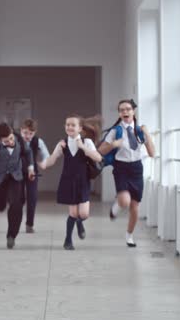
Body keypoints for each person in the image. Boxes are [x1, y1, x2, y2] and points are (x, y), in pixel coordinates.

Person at [98, 99, 155, 247]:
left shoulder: (140, 130)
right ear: (119, 113)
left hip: (136, 168)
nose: (125, 112)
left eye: (128, 109)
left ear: (133, 111)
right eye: (122, 110)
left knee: (135, 207)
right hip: (121, 168)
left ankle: (129, 235)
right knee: (124, 201)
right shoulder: (115, 131)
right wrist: (113, 145)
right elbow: (100, 151)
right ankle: (116, 207)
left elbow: (152, 153)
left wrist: (147, 134)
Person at [43, 114, 102, 250]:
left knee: (84, 214)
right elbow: (52, 159)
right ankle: (68, 240)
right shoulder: (62, 144)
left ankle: (80, 223)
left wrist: (83, 147)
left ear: (80, 128)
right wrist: (42, 163)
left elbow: (98, 158)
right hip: (68, 180)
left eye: (72, 125)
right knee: (73, 214)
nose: (69, 127)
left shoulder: (87, 142)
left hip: (83, 181)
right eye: (67, 124)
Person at [0, 123, 36, 249]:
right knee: (0, 206)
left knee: (17, 204)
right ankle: (0, 203)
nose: (11, 141)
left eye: (11, 138)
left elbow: (28, 152)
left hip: (16, 178)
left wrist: (31, 168)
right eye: (6, 141)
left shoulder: (19, 141)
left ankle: (11, 235)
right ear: (0, 140)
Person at [19, 119, 50, 233]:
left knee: (32, 198)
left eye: (30, 133)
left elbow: (47, 156)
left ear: (34, 133)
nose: (28, 136)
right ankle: (15, 222)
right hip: (18, 173)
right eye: (25, 133)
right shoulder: (15, 141)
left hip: (32, 174)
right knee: (19, 199)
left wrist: (43, 163)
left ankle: (29, 224)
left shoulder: (38, 142)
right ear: (21, 131)